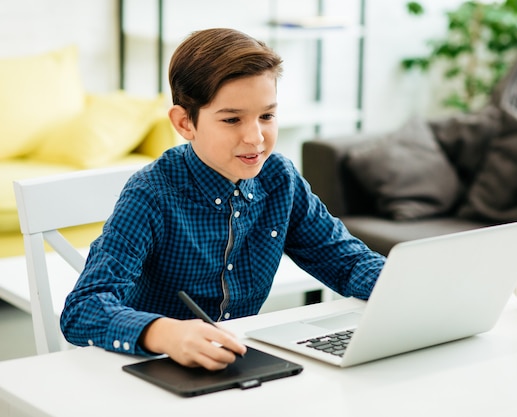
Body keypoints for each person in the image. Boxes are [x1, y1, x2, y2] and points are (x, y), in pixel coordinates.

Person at [60, 27, 385, 371]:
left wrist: (415, 287)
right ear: (185, 123)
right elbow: (84, 308)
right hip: (153, 366)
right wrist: (164, 333)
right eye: (232, 119)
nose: (255, 137)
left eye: (267, 116)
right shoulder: (151, 194)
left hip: (236, 366)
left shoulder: (280, 179)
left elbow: (347, 262)